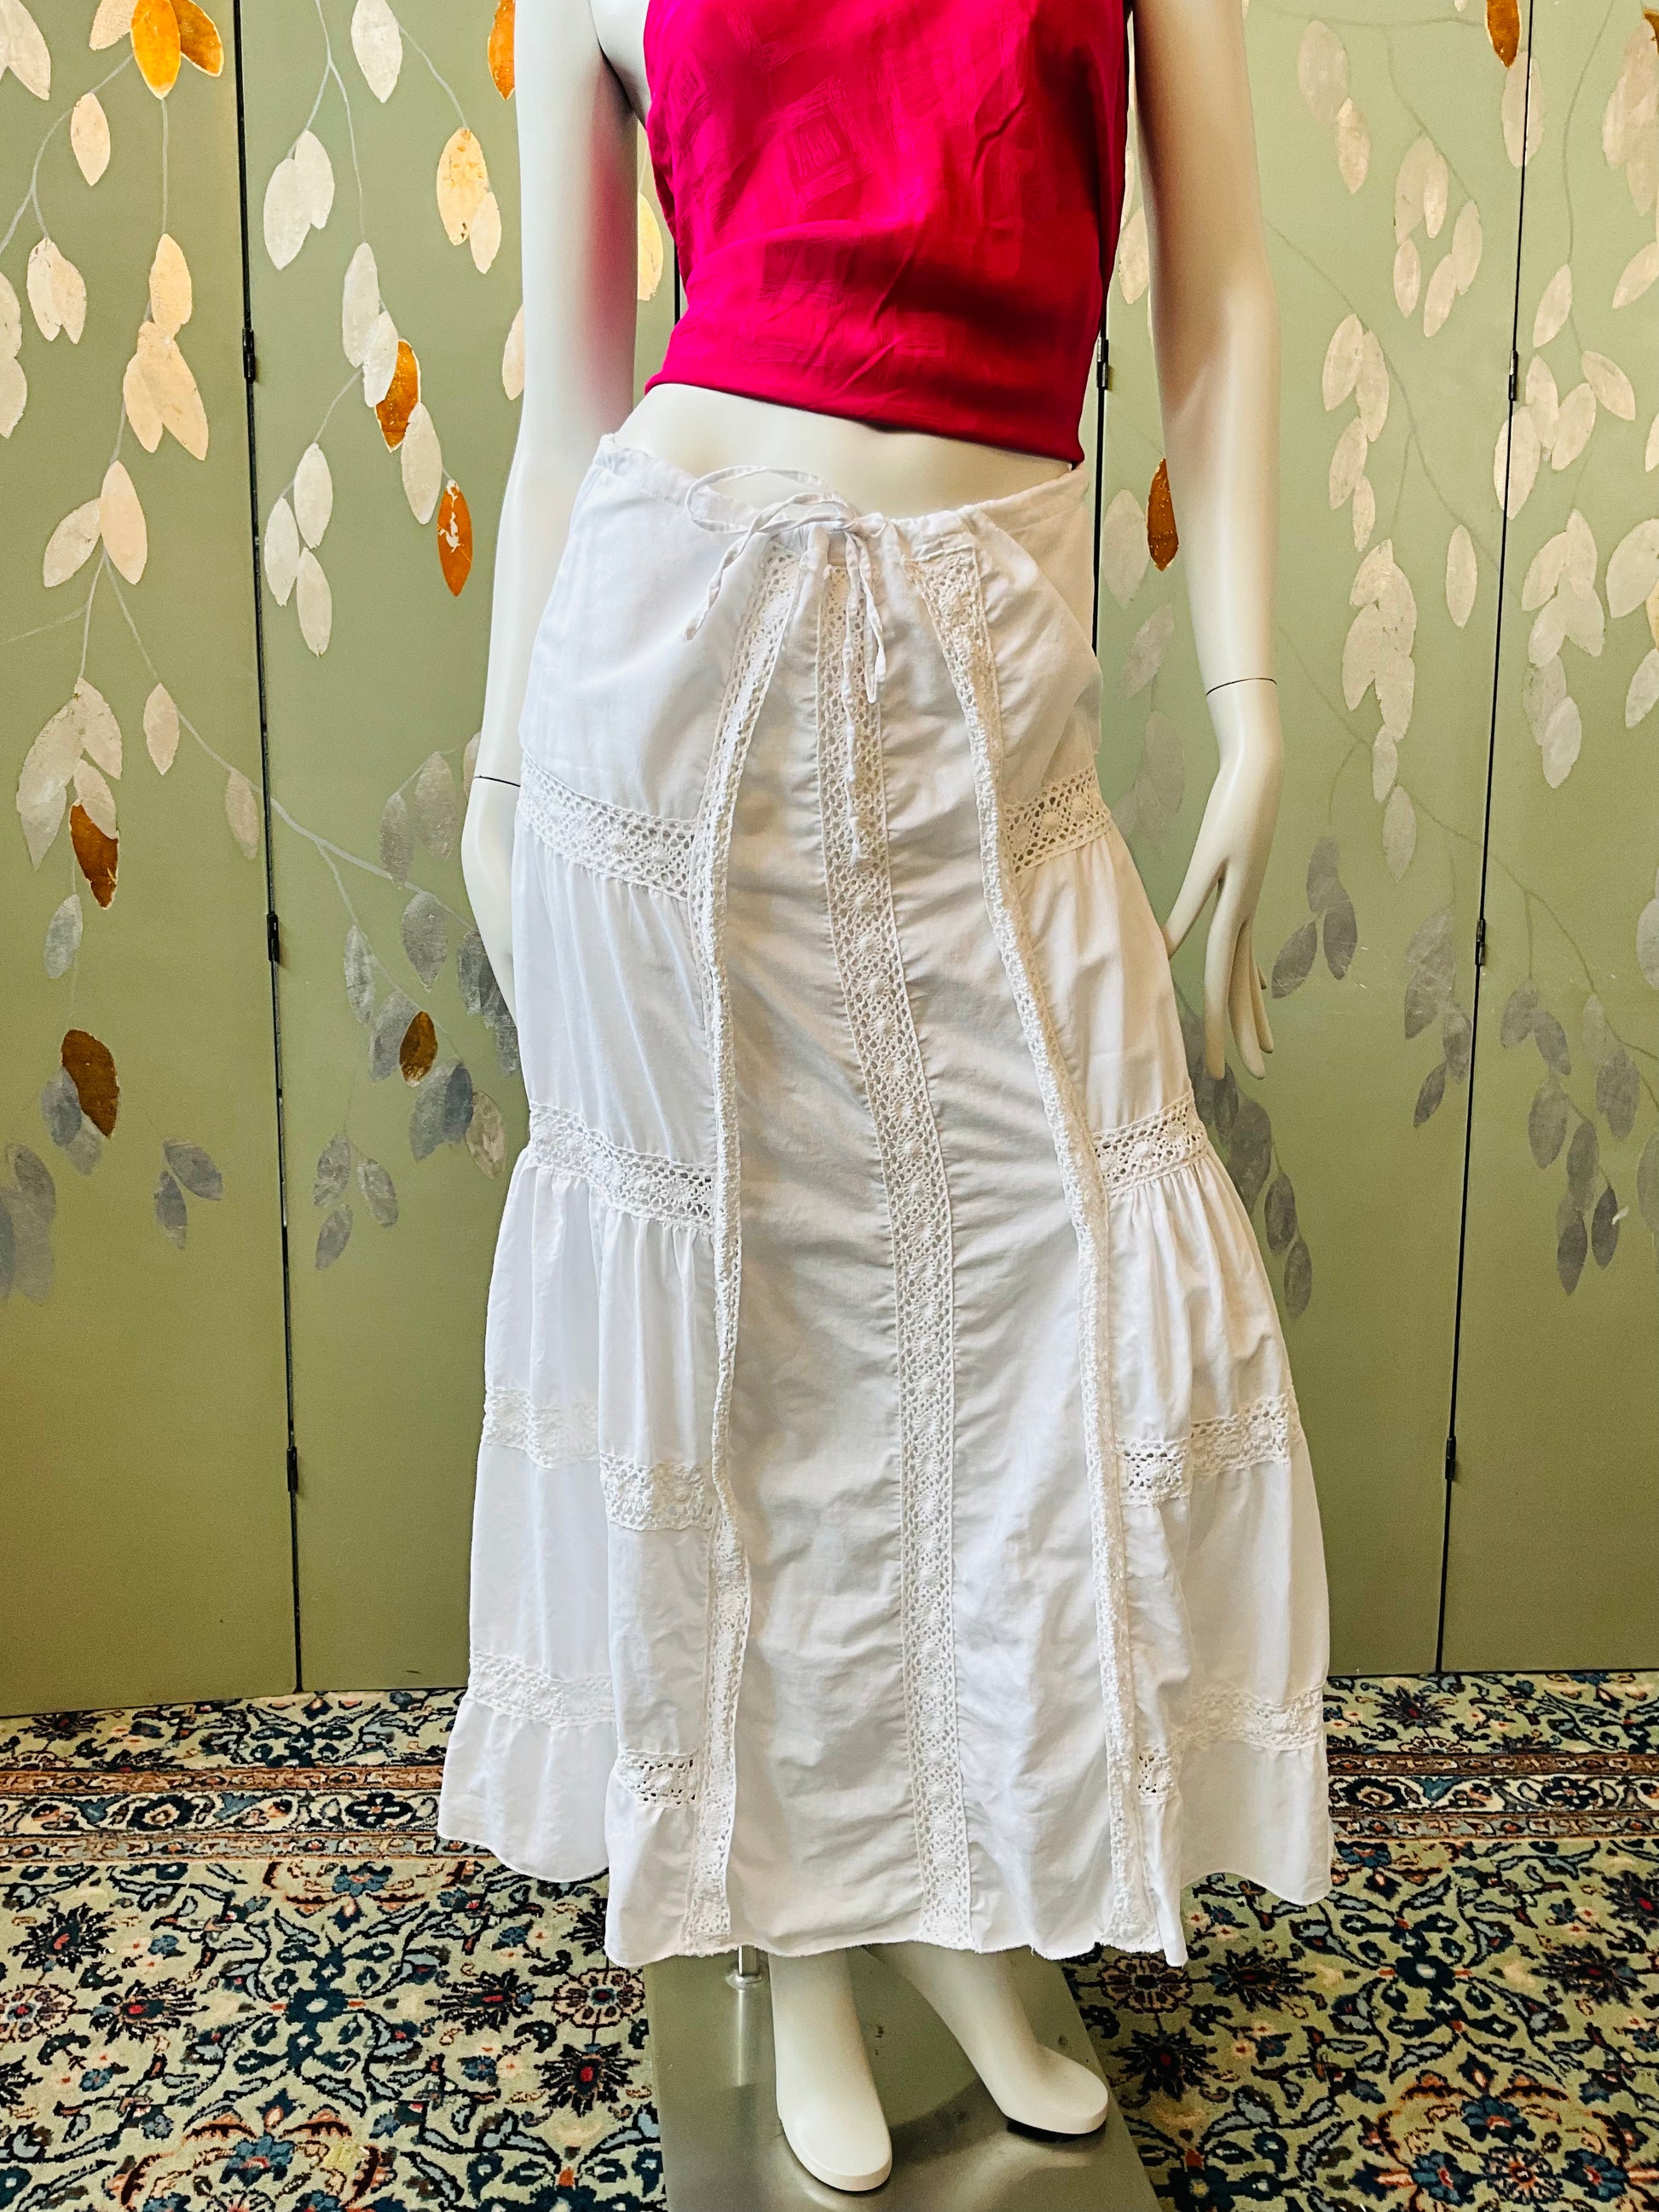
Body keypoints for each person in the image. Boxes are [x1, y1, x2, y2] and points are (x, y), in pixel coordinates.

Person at [439, 0, 1332, 2190]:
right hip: (673, 678)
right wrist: (494, 771)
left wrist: (1250, 697)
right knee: (755, 1345)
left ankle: (955, 1899)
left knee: (1029, 1326)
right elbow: (570, 405)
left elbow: (1217, 299)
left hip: (986, 695)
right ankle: (797, 1940)